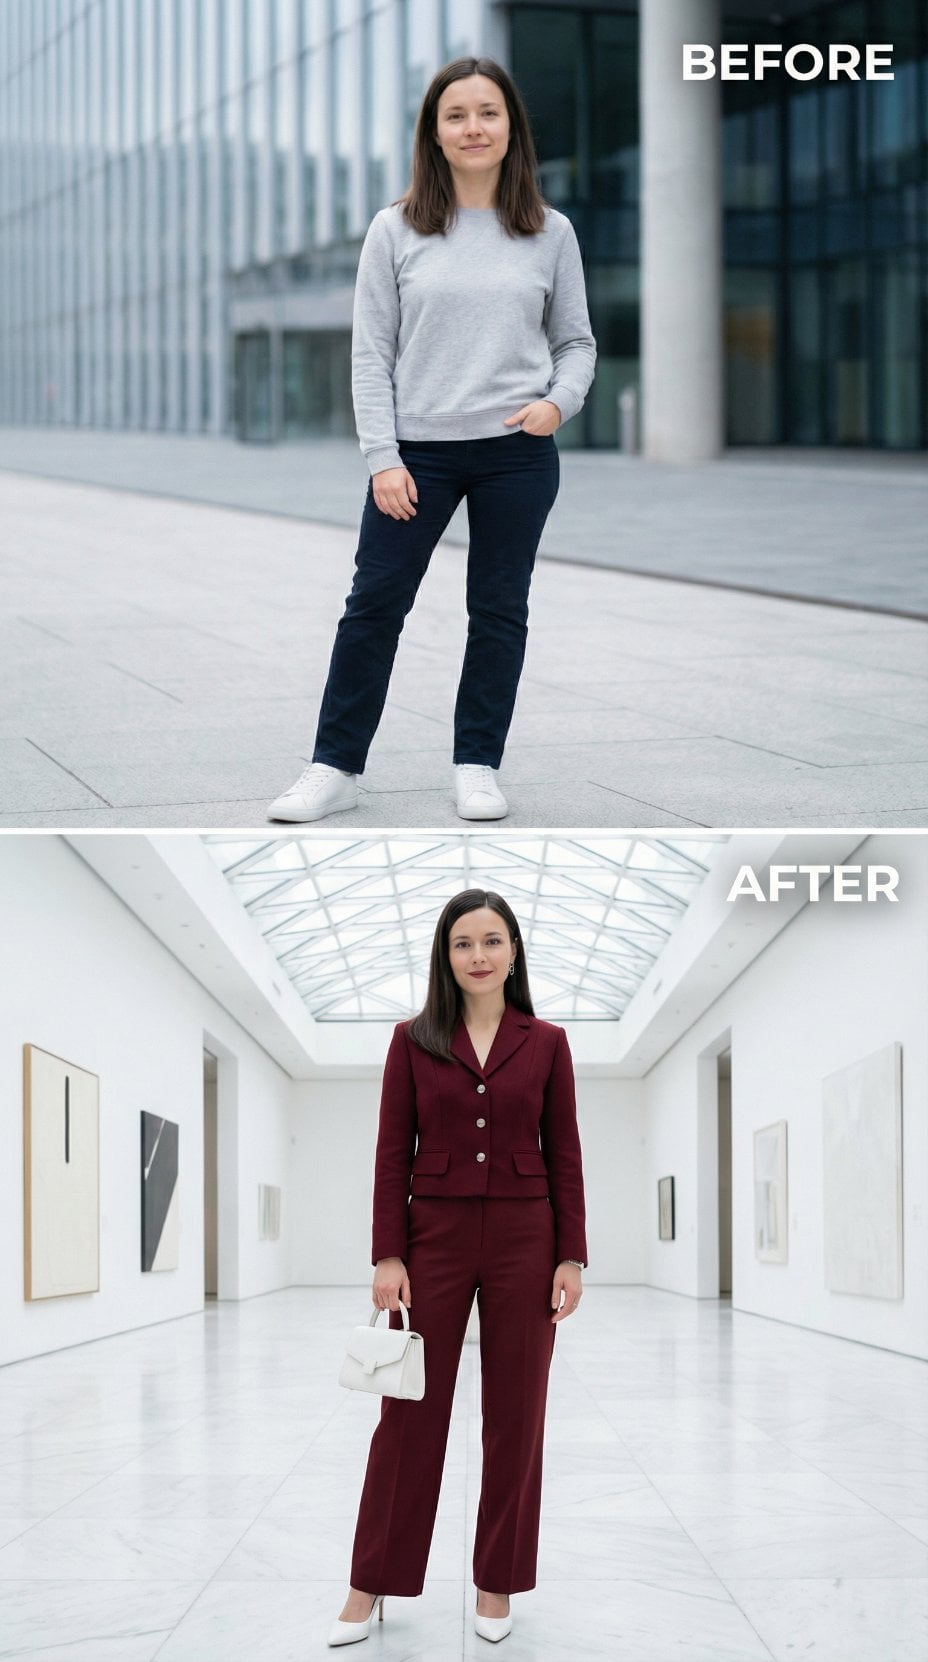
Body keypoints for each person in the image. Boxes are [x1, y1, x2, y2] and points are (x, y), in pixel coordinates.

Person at [269, 56, 596, 827]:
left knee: (499, 609)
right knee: (373, 606)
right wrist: (383, 457)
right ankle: (334, 766)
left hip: (516, 453)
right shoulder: (397, 227)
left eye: (488, 112)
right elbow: (370, 354)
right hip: (417, 456)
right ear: (435, 133)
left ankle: (477, 764)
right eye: (456, 115)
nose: (473, 127)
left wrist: (559, 405)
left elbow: (576, 342)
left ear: (510, 127)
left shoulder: (549, 232)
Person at [327, 888, 588, 1648]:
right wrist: (388, 1252)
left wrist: (571, 1253)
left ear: (514, 951)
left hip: (525, 1240)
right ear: (446, 956)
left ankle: (496, 1581)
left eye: (492, 941)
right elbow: (389, 1151)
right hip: (433, 1237)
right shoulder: (412, 1039)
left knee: (517, 1416)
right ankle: (370, 1580)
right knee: (407, 1415)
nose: (478, 955)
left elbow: (564, 1151)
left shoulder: (547, 1041)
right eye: (463, 943)